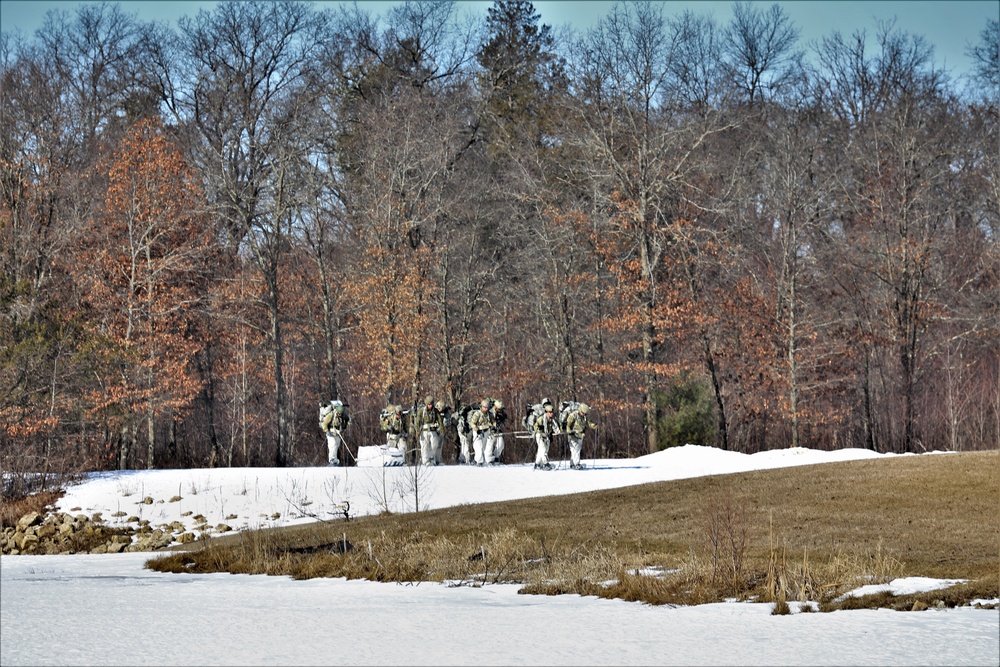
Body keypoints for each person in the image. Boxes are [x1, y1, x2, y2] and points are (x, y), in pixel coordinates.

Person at [413, 395, 444, 466]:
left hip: (433, 430)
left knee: (435, 444)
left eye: (431, 404)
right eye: (429, 404)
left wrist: (442, 429)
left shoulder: (435, 411)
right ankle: (425, 460)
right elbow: (417, 422)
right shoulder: (421, 411)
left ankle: (433, 458)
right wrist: (417, 431)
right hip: (424, 430)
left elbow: (440, 420)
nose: (430, 406)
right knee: (424, 446)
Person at [564, 403, 596, 469]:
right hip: (572, 435)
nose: (583, 414)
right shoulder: (573, 415)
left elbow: (589, 423)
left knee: (576, 449)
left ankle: (572, 464)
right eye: (582, 413)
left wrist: (594, 425)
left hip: (580, 435)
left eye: (585, 413)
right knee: (575, 449)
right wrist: (569, 431)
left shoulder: (585, 416)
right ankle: (576, 464)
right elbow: (568, 425)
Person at [532, 401, 559, 470]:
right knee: (543, 450)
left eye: (552, 412)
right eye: (549, 412)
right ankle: (546, 463)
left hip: (546, 436)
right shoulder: (541, 419)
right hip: (539, 435)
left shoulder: (552, 420)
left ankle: (537, 464)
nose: (551, 414)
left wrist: (556, 431)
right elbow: (535, 427)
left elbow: (554, 427)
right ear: (546, 412)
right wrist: (539, 429)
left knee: (542, 450)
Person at [468, 398, 494, 466]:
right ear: (481, 406)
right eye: (485, 407)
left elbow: (493, 422)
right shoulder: (477, 414)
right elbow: (472, 423)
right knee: (478, 447)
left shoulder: (490, 414)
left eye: (487, 407)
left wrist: (493, 426)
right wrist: (477, 430)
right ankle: (479, 461)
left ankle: (486, 460)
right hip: (478, 432)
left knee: (484, 447)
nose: (486, 409)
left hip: (486, 431)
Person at [489, 399, 507, 465]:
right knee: (489, 446)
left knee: (501, 445)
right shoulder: (490, 412)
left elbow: (505, 420)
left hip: (498, 431)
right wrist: (494, 423)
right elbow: (487, 422)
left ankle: (496, 457)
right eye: (499, 409)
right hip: (490, 432)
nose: (501, 410)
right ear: (496, 408)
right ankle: (488, 460)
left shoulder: (502, 412)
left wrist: (503, 420)